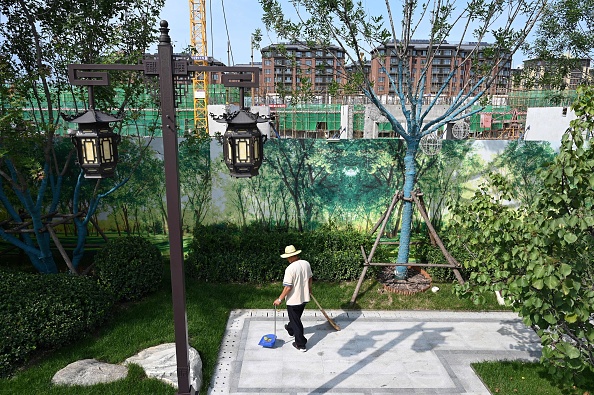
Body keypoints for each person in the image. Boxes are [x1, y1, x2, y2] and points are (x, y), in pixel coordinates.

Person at [273, 245, 312, 352]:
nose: (287, 259)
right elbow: (310, 278)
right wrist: (309, 289)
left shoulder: (290, 269)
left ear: (290, 257)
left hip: (294, 300)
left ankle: (301, 344)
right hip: (304, 297)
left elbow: (288, 287)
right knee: (295, 318)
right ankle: (290, 329)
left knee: (296, 322)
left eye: (287, 257)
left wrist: (279, 299)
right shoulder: (306, 263)